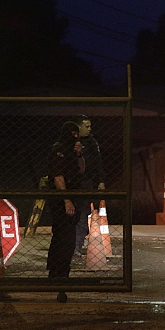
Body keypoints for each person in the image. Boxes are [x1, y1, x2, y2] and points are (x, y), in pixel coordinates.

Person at [46, 121, 85, 278]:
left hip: (72, 195)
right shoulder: (59, 149)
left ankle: (58, 270)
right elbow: (58, 176)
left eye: (77, 134)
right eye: (72, 134)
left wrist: (79, 154)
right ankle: (59, 270)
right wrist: (66, 200)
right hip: (61, 199)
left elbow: (81, 170)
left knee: (65, 234)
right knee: (65, 236)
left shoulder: (72, 151)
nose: (75, 137)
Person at [72, 114, 105, 258]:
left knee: (83, 214)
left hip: (86, 183)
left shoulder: (91, 142)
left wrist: (101, 180)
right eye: (87, 126)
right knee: (70, 216)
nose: (89, 129)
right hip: (71, 184)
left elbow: (98, 162)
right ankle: (69, 246)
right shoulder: (69, 141)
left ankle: (76, 247)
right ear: (78, 127)